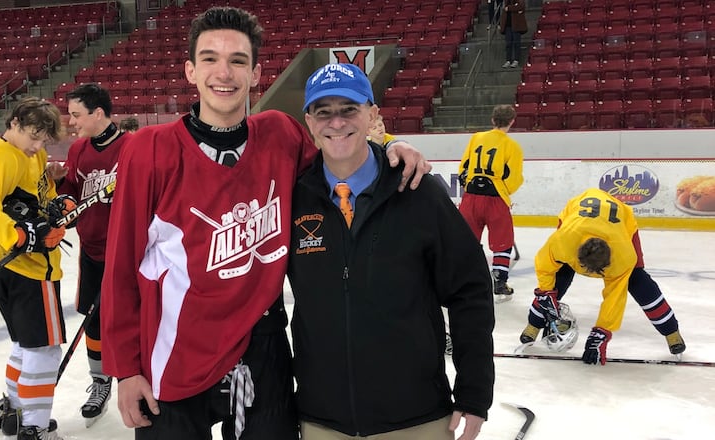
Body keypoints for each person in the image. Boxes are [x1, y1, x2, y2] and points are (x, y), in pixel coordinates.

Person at [99, 6, 431, 440]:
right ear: (190, 71)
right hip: (177, 353)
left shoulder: (281, 134)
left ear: (256, 73)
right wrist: (125, 370)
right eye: (210, 59)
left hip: (264, 345)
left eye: (238, 60)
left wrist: (391, 145)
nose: (225, 72)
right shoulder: (150, 150)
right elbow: (122, 268)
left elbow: (341, 165)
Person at [288, 63, 495, 440]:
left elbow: (470, 292)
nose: (336, 122)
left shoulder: (418, 192)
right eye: (324, 111)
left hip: (417, 419)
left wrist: (475, 390)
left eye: (349, 109)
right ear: (309, 122)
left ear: (372, 115)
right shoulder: (292, 198)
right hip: (322, 421)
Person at [0, 96, 67, 440]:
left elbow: (38, 197)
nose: (38, 145)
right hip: (28, 270)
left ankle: (14, 408)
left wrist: (57, 201)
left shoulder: (32, 155)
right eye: (33, 135)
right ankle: (35, 428)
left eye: (43, 139)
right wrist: (20, 234)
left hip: (12, 268)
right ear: (14, 124)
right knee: (44, 349)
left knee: (25, 345)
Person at [45, 83, 132, 427]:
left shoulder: (132, 147)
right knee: (93, 322)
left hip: (129, 255)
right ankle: (100, 382)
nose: (71, 121)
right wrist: (58, 185)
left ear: (98, 113)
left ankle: (135, 379)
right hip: (92, 253)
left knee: (133, 319)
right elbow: (73, 203)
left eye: (77, 114)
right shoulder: (79, 150)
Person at [521, 188, 687, 365]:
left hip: (622, 224)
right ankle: (533, 324)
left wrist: (602, 331)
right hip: (576, 217)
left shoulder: (623, 256)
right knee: (560, 276)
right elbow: (545, 267)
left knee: (638, 280)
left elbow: (614, 299)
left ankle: (671, 331)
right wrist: (546, 293)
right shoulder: (563, 241)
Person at [458, 104, 524, 302]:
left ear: (493, 120)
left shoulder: (476, 138)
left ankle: (461, 281)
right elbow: (514, 178)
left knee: (466, 241)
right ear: (512, 121)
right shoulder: (513, 146)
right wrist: (503, 191)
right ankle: (500, 282)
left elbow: (464, 167)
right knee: (502, 243)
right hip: (495, 199)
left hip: (470, 198)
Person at [499, 0, 527, 68]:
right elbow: (504, 11)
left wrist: (509, 8)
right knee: (508, 44)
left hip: (516, 25)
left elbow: (521, 6)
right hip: (507, 26)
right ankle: (508, 60)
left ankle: (516, 60)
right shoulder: (505, 1)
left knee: (516, 43)